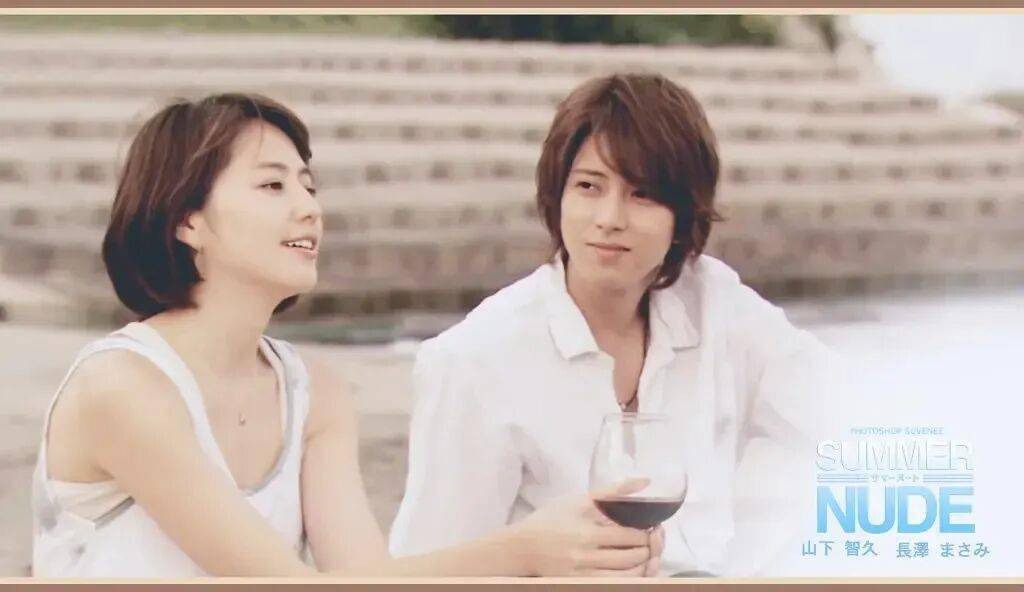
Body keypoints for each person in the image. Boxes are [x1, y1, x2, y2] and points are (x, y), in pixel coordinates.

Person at [30, 93, 663, 577]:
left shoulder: (314, 394)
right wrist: (525, 550)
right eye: (273, 185)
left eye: (308, 185)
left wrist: (544, 552)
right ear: (187, 220)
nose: (309, 207)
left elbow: (363, 580)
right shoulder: (124, 388)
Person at [389, 73, 839, 576]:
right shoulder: (475, 360)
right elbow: (422, 569)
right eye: (588, 186)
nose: (609, 218)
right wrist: (532, 556)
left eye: (642, 194)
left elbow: (842, 409)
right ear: (557, 196)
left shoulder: (716, 304)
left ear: (681, 215)